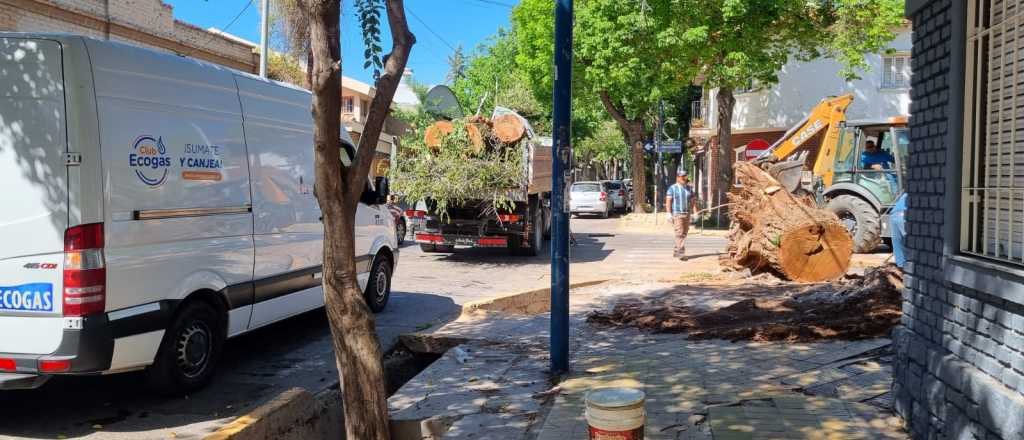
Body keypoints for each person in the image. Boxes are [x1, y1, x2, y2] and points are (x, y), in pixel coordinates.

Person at [665, 169, 697, 260]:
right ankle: (681, 253)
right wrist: (668, 213)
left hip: (687, 213)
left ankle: (676, 250)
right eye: (682, 176)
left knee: (684, 233)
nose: (684, 178)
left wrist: (695, 213)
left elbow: (693, 201)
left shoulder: (689, 188)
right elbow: (668, 201)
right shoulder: (672, 188)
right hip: (677, 214)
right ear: (678, 177)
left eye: (685, 176)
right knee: (679, 233)